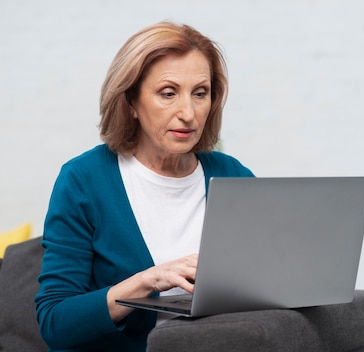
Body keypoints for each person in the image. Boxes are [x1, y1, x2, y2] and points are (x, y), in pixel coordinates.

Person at [35, 22, 254, 351]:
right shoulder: (84, 179)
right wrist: (148, 280)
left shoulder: (233, 176)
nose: (189, 113)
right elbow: (55, 321)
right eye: (168, 93)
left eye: (200, 93)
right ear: (131, 102)